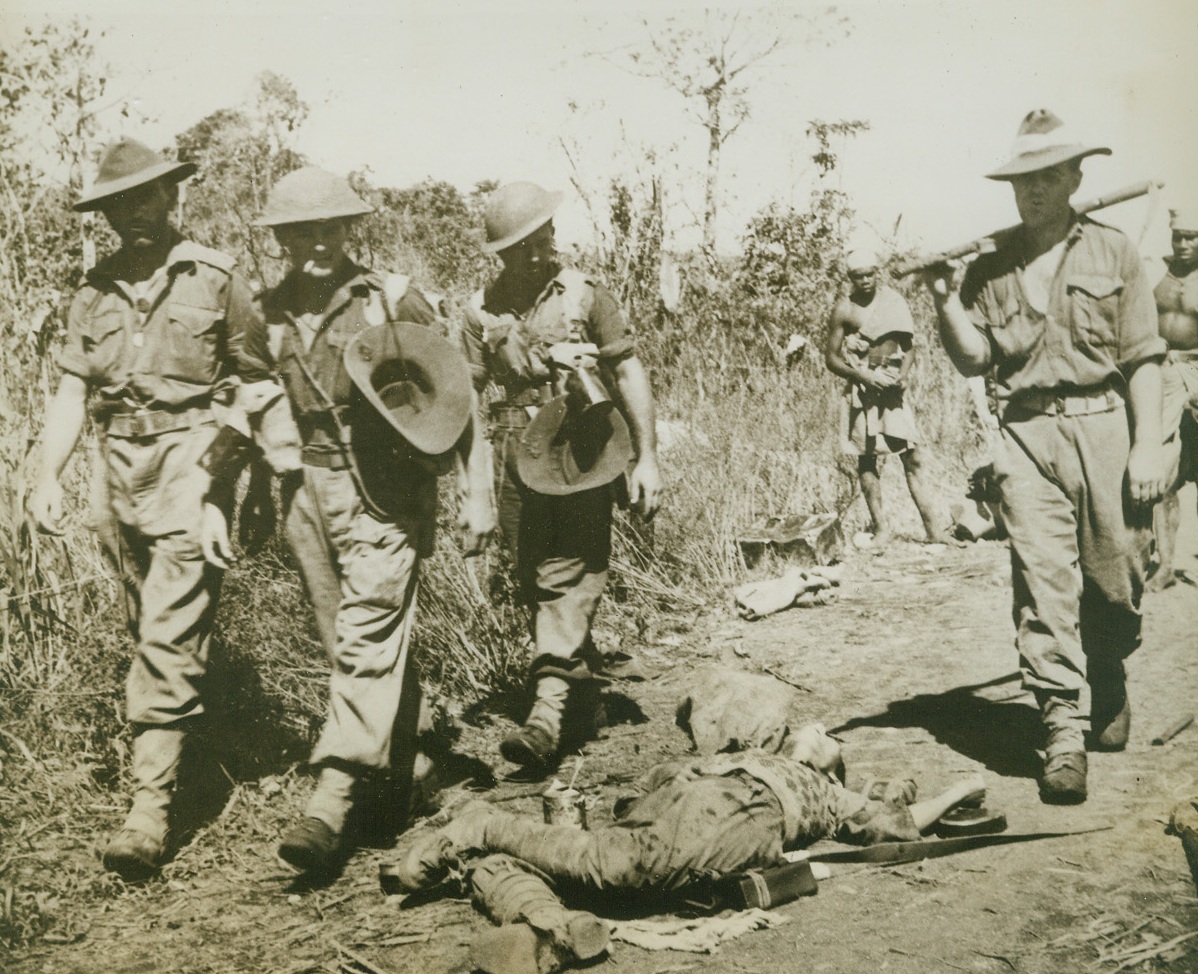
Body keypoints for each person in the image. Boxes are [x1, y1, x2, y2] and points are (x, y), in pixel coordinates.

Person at [200, 167, 494, 874]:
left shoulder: (389, 302)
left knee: (366, 634)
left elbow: (456, 396)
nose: (318, 244)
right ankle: (415, 767)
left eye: (331, 228)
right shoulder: (265, 314)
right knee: (351, 642)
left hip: (386, 491)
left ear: (349, 230)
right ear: (281, 237)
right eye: (303, 230)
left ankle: (330, 802)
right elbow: (243, 405)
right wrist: (217, 494)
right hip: (304, 488)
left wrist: (476, 489)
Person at [27, 138, 274, 880]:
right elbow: (73, 391)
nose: (133, 215)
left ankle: (149, 809)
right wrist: (46, 477)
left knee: (167, 632)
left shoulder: (216, 279)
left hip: (189, 462)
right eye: (117, 205)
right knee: (147, 626)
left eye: (146, 198)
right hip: (114, 470)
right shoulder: (93, 290)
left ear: (171, 198)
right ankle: (190, 750)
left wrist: (234, 482)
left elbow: (257, 384)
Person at [924, 110, 1166, 804]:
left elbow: (1144, 355)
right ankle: (1061, 727)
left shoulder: (1114, 252)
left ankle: (1109, 668)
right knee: (1042, 585)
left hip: (1106, 426)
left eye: (1048, 176)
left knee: (1116, 574)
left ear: (1075, 178)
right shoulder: (990, 267)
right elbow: (975, 357)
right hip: (1027, 436)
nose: (1033, 191)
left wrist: (1148, 442)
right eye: (1023, 180)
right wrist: (946, 301)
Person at [388, 723, 984, 973]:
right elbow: (646, 793)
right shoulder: (745, 746)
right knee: (618, 863)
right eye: (814, 728)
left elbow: (902, 825)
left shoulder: (830, 795)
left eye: (829, 738)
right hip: (695, 799)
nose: (821, 731)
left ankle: (549, 923)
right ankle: (485, 827)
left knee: (614, 868)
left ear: (833, 765)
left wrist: (960, 790)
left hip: (748, 811)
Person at [460, 182, 663, 770]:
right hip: (514, 453)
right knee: (534, 579)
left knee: (569, 572)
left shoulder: (583, 296)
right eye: (520, 245)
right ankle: (584, 699)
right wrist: (473, 486)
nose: (536, 252)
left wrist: (646, 457)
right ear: (502, 252)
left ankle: (546, 711)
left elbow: (628, 369)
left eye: (541, 237)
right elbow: (467, 395)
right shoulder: (478, 311)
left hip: (582, 450)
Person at [824, 247, 943, 544]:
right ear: (850, 277)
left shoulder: (893, 301)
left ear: (877, 273)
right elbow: (831, 358)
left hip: (891, 387)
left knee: (912, 457)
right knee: (866, 460)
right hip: (862, 389)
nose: (865, 280)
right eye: (858, 276)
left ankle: (934, 530)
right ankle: (882, 529)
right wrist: (861, 375)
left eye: (869, 274)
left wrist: (902, 376)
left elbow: (909, 344)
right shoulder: (845, 309)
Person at [1148, 205, 1198, 591]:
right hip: (1164, 372)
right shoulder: (1158, 273)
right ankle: (1165, 566)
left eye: (1191, 236)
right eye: (1177, 236)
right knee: (1162, 471)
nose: (1182, 244)